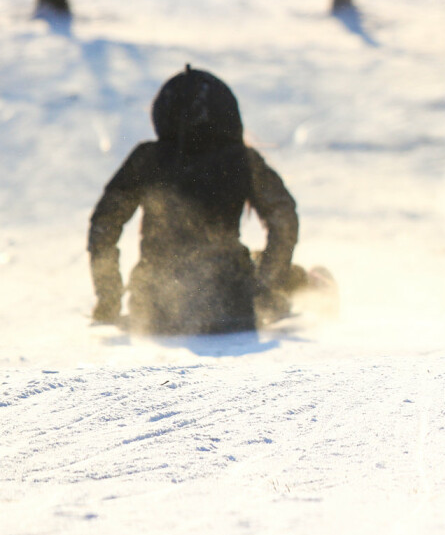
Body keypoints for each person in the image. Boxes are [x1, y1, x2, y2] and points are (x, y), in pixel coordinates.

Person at [88, 66, 302, 336]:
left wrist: (108, 299)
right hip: (232, 306)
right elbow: (284, 218)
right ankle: (318, 289)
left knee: (262, 263)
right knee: (292, 275)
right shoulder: (243, 160)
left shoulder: (147, 159)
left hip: (154, 309)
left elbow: (104, 225)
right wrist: (268, 289)